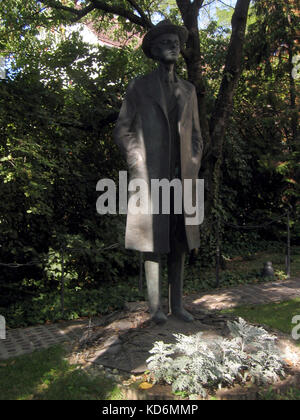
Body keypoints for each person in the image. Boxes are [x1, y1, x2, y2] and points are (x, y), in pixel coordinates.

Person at [113, 20, 203, 324]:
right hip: (149, 178)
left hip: (182, 178)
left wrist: (192, 163)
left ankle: (177, 305)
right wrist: (137, 163)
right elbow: (123, 130)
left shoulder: (188, 90)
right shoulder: (140, 86)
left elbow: (196, 137)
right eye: (166, 42)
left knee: (179, 241)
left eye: (176, 42)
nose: (174, 46)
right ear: (153, 50)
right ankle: (155, 308)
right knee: (152, 242)